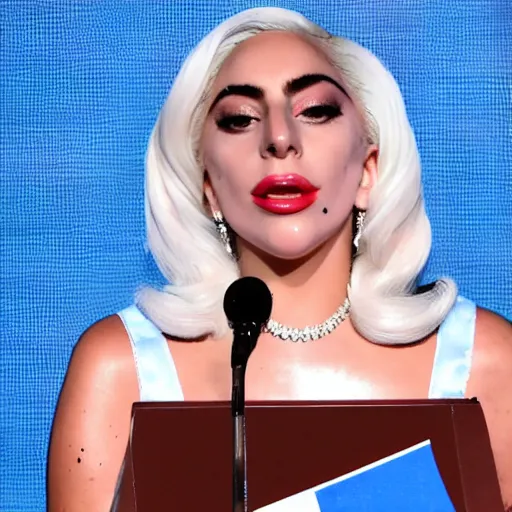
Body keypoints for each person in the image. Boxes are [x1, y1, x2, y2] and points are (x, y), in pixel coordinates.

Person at [47, 7, 512, 511]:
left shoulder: (483, 365)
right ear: (207, 187)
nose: (279, 138)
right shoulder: (121, 370)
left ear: (368, 170)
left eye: (314, 110)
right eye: (240, 118)